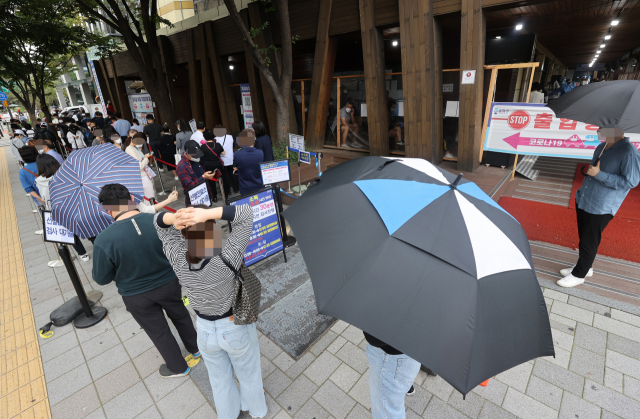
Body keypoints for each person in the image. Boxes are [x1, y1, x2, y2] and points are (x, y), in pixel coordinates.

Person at [153, 204, 267, 419]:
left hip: (204, 330)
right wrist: (205, 214)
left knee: (219, 380)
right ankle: (257, 411)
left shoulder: (179, 260)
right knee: (248, 374)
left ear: (183, 233)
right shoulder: (228, 256)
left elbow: (159, 224)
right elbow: (245, 214)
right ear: (213, 229)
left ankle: (229, 415)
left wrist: (175, 218)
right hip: (234, 326)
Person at [93, 183, 200, 378]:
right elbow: (176, 249)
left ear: (108, 210)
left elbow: (101, 278)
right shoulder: (158, 220)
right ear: (130, 199)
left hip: (136, 294)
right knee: (180, 314)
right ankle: (196, 348)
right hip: (169, 282)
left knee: (158, 330)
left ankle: (178, 367)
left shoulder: (104, 239)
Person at [558, 124, 640, 287]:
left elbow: (631, 181)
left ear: (617, 129)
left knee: (589, 240)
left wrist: (599, 174)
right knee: (584, 237)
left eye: (604, 127)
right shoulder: (603, 146)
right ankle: (585, 266)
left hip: (601, 204)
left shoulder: (629, 152)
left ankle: (579, 275)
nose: (599, 130)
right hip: (585, 198)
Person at [35, 154, 91, 262]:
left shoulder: (39, 181)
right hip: (73, 206)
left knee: (70, 232)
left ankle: (83, 254)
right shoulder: (64, 175)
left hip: (57, 211)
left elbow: (43, 196)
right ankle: (96, 243)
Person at [364, 331, 420, 419]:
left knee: (387, 412)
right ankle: (406, 386)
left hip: (389, 356)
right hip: (417, 348)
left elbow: (374, 338)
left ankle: (404, 385)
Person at [176, 140, 216, 206]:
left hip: (205, 196)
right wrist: (203, 177)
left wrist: (209, 195)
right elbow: (189, 186)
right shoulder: (181, 166)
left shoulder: (197, 160)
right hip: (194, 201)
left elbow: (202, 176)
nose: (197, 157)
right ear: (186, 153)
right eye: (194, 156)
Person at [126, 132, 156, 201]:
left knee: (150, 197)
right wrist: (146, 158)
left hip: (145, 174)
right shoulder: (130, 149)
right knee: (149, 198)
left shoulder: (135, 148)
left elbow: (142, 159)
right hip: (142, 176)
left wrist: (145, 157)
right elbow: (139, 166)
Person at [233, 129, 264, 195]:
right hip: (259, 186)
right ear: (253, 140)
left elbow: (235, 166)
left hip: (245, 188)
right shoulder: (260, 153)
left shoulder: (237, 154)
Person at [18, 146, 45, 211]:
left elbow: (28, 189)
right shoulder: (45, 162)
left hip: (39, 197)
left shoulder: (22, 171)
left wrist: (41, 199)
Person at [201, 130, 225, 202]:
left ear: (205, 137)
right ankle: (224, 194)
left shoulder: (203, 146)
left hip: (208, 165)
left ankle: (214, 197)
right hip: (218, 164)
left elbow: (200, 156)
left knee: (211, 182)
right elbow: (223, 153)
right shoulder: (217, 144)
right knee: (221, 179)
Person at [214, 126, 238, 196]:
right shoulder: (230, 137)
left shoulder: (215, 139)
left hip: (222, 161)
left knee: (225, 177)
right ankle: (236, 189)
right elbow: (233, 146)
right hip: (231, 159)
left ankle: (227, 191)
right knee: (233, 174)